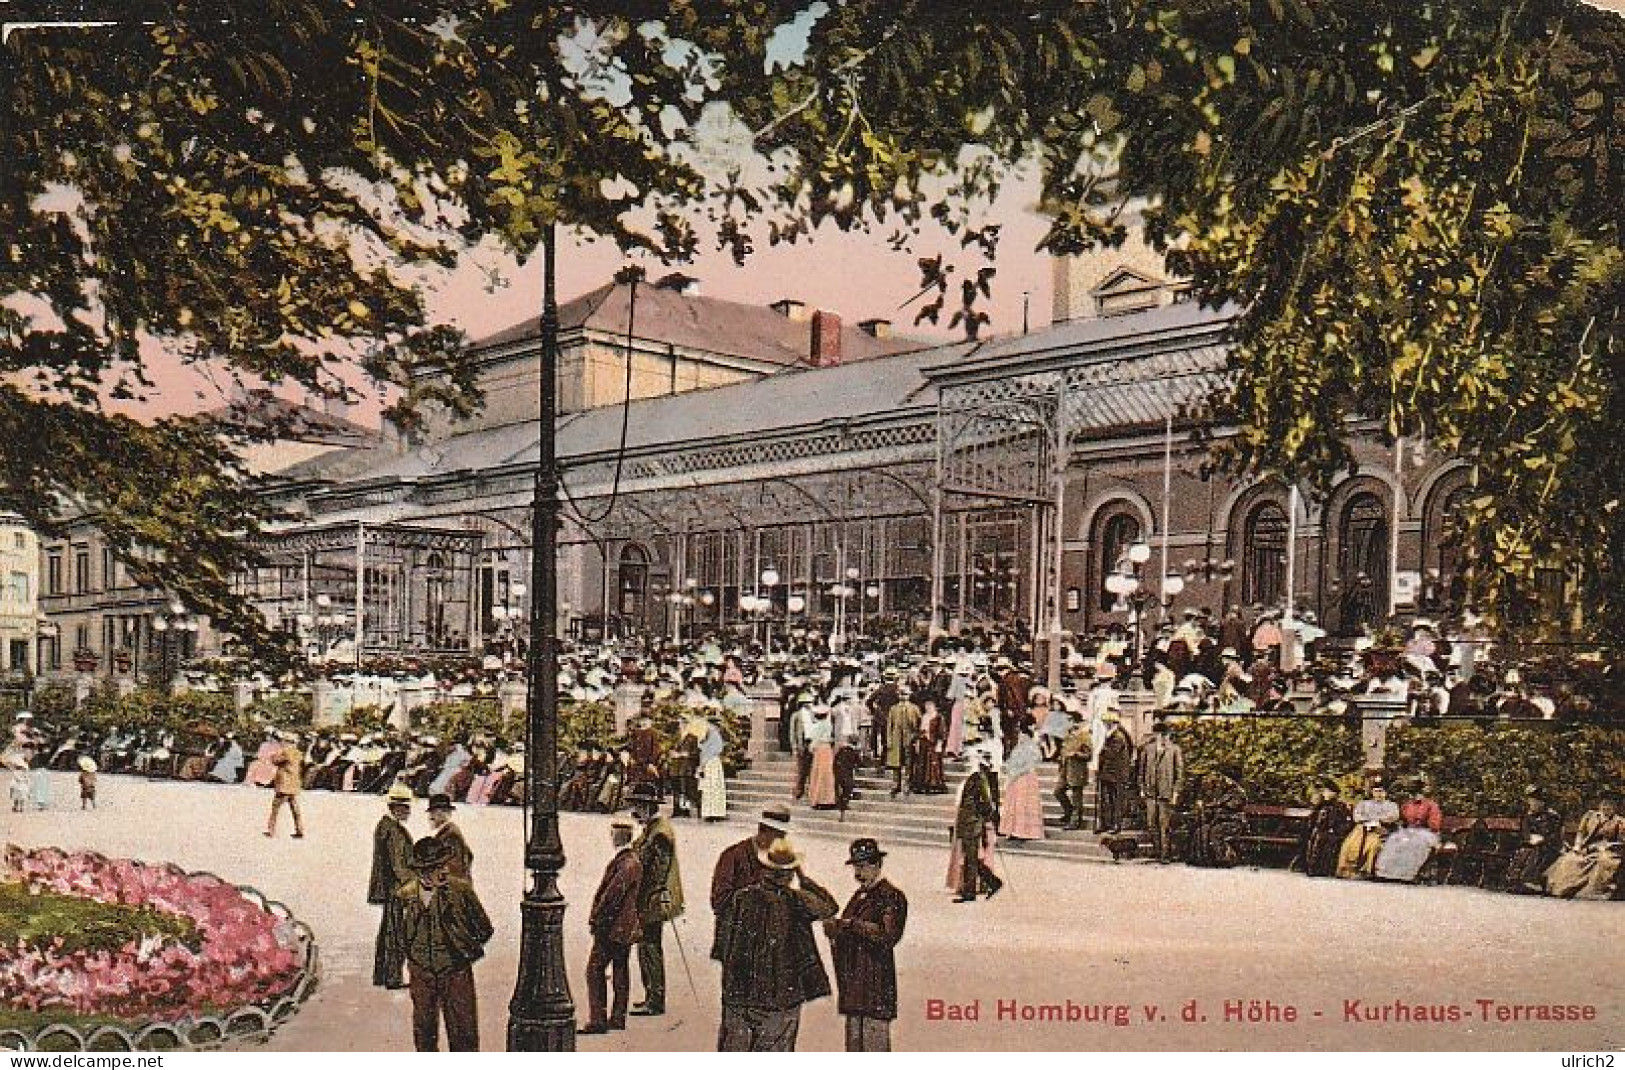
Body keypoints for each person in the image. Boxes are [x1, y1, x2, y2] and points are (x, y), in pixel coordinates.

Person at [713, 836, 839, 1051]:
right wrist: (805, 878)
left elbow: (723, 944)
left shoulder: (741, 898)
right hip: (779, 999)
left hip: (738, 996)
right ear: (789, 874)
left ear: (765, 869)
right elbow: (829, 907)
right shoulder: (796, 901)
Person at [390, 837, 494, 1051]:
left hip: (456, 971)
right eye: (437, 867)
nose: (444, 871)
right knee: (424, 1033)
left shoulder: (460, 890)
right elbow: (396, 936)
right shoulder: (404, 896)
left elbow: (484, 928)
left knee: (464, 1034)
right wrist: (413, 960)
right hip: (421, 974)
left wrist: (463, 946)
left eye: (443, 865)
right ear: (422, 871)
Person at [824, 838, 908, 1052]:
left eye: (862, 867)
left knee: (873, 1048)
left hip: (875, 985)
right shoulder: (860, 895)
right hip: (855, 985)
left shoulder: (891, 896)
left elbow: (889, 936)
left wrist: (852, 925)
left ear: (877, 865)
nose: (857, 873)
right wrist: (835, 929)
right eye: (856, 867)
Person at [582, 818, 644, 1034]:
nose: (611, 837)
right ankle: (618, 1017)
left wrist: (597, 920)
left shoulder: (626, 863)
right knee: (620, 968)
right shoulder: (630, 861)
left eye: (613, 834)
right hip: (624, 927)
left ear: (620, 837)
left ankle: (598, 1019)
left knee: (594, 969)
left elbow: (611, 897)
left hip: (612, 927)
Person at [630, 784, 684, 1018]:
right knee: (648, 946)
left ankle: (655, 999)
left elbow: (657, 871)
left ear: (646, 806)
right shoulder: (654, 828)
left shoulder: (659, 833)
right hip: (650, 896)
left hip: (652, 897)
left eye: (637, 806)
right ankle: (652, 996)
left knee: (649, 947)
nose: (635, 811)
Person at [710, 807, 790, 954]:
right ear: (763, 832)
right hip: (736, 938)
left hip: (765, 943)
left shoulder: (779, 858)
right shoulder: (733, 855)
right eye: (779, 836)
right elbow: (719, 900)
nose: (782, 842)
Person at [369, 783, 415, 989]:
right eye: (405, 807)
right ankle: (392, 977)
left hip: (388, 887)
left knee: (387, 931)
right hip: (396, 888)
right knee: (396, 934)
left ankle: (382, 975)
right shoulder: (394, 831)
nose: (408, 811)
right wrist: (411, 883)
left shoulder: (385, 826)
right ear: (396, 807)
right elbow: (399, 864)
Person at [1544, 795, 1623, 900]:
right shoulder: (1590, 816)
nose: (1606, 809)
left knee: (1603, 861)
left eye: (1609, 807)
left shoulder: (1620, 821)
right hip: (1587, 848)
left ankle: (1594, 890)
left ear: (1614, 808)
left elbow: (1620, 841)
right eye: (1604, 806)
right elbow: (1581, 833)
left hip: (1607, 849)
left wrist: (1606, 846)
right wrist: (1577, 845)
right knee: (1570, 860)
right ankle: (1560, 889)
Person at [950, 749, 1003, 902]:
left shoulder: (979, 779)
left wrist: (986, 818)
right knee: (970, 859)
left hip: (972, 824)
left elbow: (986, 803)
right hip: (968, 822)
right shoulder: (974, 778)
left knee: (971, 859)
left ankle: (972, 891)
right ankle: (991, 883)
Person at [1374, 781, 1443, 882]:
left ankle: (1407, 875)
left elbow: (1435, 825)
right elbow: (1402, 820)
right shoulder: (1408, 805)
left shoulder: (1431, 805)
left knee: (1414, 843)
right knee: (1395, 839)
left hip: (1427, 832)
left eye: (1419, 793)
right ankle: (1387, 873)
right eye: (1414, 793)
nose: (1416, 796)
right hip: (1409, 830)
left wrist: (1423, 823)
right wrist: (1401, 825)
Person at [1135, 720, 1184, 861]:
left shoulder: (1174, 750)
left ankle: (1165, 854)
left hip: (1166, 792)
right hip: (1150, 791)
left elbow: (1179, 773)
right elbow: (1141, 770)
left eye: (1165, 735)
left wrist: (1175, 792)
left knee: (1165, 824)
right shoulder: (1148, 749)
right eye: (1160, 735)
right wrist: (1142, 788)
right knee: (1151, 823)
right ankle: (1157, 850)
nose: (1163, 738)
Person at [1502, 786, 1564, 893]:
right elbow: (1525, 832)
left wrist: (1542, 839)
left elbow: (1555, 834)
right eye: (1531, 801)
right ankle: (1516, 880)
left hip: (1550, 847)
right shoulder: (1528, 815)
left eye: (1536, 801)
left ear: (1542, 802)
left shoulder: (1552, 816)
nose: (1533, 804)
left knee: (1536, 851)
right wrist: (1529, 838)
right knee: (1524, 851)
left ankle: (1530, 881)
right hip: (1532, 845)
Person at [1337, 782, 1400, 878]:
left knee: (1373, 844)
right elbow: (1357, 816)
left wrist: (1379, 821)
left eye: (1381, 791)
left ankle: (1366, 870)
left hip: (1380, 830)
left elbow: (1394, 816)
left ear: (1385, 793)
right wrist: (1366, 821)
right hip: (1362, 829)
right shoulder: (1364, 804)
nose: (1379, 794)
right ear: (1372, 792)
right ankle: (1348, 869)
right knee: (1350, 843)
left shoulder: (1391, 805)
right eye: (1376, 791)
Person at [1187, 770, 1248, 868]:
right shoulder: (1222, 790)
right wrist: (1205, 807)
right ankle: (1200, 858)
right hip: (1220, 821)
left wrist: (1214, 809)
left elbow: (1230, 808)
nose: (1224, 781)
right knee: (1201, 831)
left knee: (1215, 832)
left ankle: (1224, 859)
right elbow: (1216, 804)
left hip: (1234, 823)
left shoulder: (1238, 793)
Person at [1297, 778, 1353, 878]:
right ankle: (1310, 867)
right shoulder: (1320, 805)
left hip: (1334, 833)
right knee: (1312, 837)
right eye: (1325, 791)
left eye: (1328, 792)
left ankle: (1322, 869)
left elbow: (1347, 823)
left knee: (1324, 840)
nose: (1325, 794)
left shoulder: (1340, 806)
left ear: (1334, 793)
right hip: (1319, 831)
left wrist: (1336, 831)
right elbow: (1312, 819)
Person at [998, 729, 1046, 841]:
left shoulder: (1032, 748)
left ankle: (1026, 831)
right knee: (1014, 803)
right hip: (1016, 778)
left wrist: (1019, 770)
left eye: (1023, 736)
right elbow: (1011, 762)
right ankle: (1013, 830)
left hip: (1027, 778)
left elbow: (1035, 760)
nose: (1021, 738)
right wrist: (1009, 770)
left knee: (1024, 803)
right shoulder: (1017, 749)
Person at [1094, 712, 1134, 833]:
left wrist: (1100, 751)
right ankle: (1106, 824)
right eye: (1105, 723)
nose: (1105, 725)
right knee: (1107, 799)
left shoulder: (1118, 737)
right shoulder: (1110, 735)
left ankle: (1116, 825)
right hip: (1108, 773)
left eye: (1107, 723)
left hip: (1117, 774)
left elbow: (1111, 753)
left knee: (1117, 800)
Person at [264, 731, 306, 839]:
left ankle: (271, 830)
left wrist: (274, 755)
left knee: (275, 808)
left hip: (284, 784)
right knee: (295, 808)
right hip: (294, 783)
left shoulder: (286, 752)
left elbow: (275, 760)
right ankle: (299, 829)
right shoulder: (297, 753)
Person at [1055, 712, 1091, 830]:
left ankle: (1075, 821)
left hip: (1077, 770)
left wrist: (1076, 754)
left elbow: (1089, 755)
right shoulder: (1067, 735)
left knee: (1076, 798)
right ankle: (1069, 812)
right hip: (1065, 769)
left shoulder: (1084, 736)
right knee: (1058, 791)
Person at [427, 793, 474, 880]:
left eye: (432, 813)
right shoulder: (448, 833)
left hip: (454, 887)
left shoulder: (451, 835)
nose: (430, 817)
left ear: (440, 813)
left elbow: (453, 868)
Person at [885, 688, 921, 798]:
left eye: (905, 694)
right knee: (896, 763)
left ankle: (907, 784)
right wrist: (889, 740)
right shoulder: (893, 709)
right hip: (896, 738)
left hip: (909, 738)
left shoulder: (914, 708)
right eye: (901, 694)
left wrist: (917, 738)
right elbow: (889, 725)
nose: (903, 696)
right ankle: (896, 784)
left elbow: (919, 724)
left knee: (909, 763)